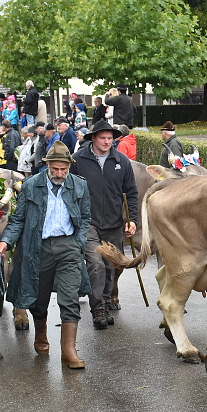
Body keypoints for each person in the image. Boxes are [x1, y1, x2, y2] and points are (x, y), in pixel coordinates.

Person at [0, 141, 91, 369]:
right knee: (38, 298)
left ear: (69, 166)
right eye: (55, 169)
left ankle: (69, 350)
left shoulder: (79, 185)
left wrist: (78, 242)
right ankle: (41, 334)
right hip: (38, 247)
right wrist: (5, 241)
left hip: (69, 247)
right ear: (47, 165)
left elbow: (85, 217)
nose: (59, 174)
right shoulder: (31, 185)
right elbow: (18, 220)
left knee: (70, 298)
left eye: (63, 169)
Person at [70, 119, 139, 330]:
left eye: (110, 138)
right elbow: (68, 191)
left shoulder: (122, 161)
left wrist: (132, 219)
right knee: (96, 263)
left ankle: (107, 301)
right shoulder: (78, 160)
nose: (107, 142)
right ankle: (98, 307)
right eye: (103, 138)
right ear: (93, 138)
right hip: (87, 222)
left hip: (114, 222)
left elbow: (132, 194)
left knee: (112, 265)